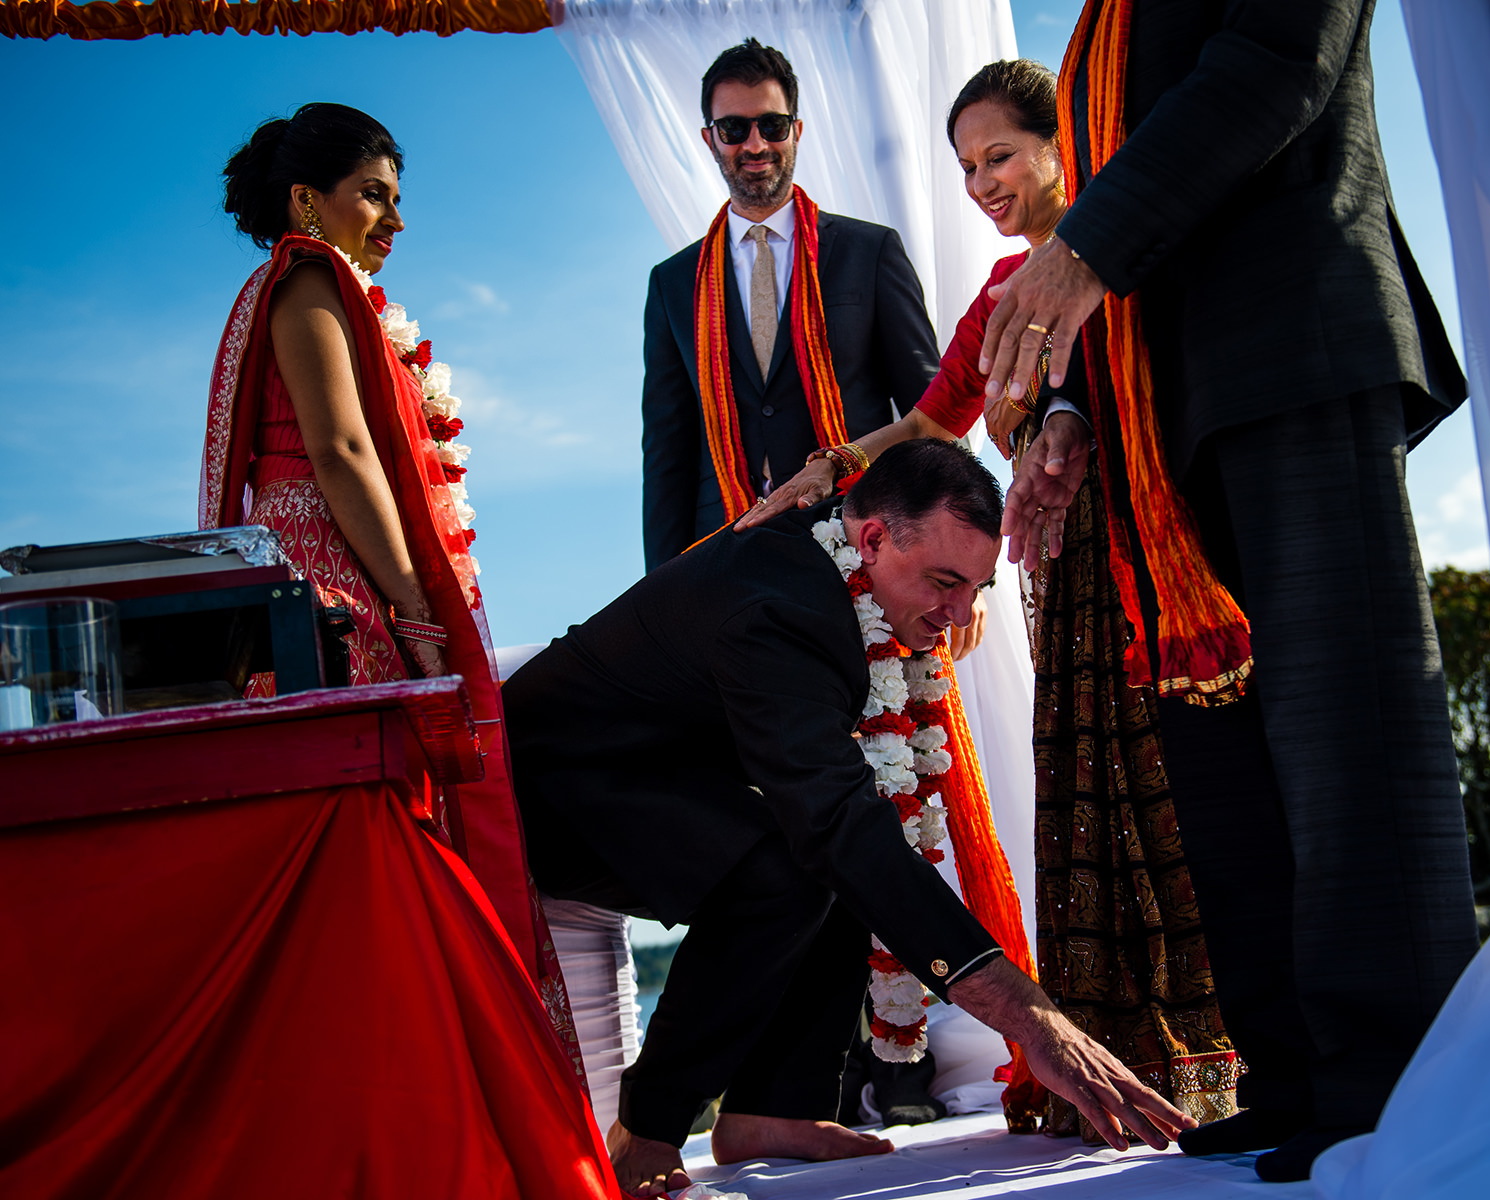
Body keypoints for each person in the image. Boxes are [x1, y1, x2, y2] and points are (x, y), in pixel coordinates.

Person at [981, 1, 1482, 1182]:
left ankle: (1392, 1082)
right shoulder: (1099, 28)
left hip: (1292, 349)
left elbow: (1271, 68)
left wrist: (1077, 248)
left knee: (1344, 738)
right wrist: (1071, 416)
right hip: (1161, 411)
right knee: (1221, 762)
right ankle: (1293, 1070)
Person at [739, 58, 1242, 1134]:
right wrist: (832, 467)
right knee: (1089, 792)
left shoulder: (1136, 256)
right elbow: (930, 425)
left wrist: (1074, 420)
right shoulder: (1002, 296)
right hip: (1063, 575)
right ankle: (1117, 1057)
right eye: (968, 167)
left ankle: (1237, 1051)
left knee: (1185, 787)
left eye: (1001, 157)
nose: (983, 184)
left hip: (1161, 552)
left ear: (1064, 150)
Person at [505, 439, 1194, 1198]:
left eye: (975, 588)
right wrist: (1031, 1021)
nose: (960, 615)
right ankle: (648, 1122)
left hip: (658, 769)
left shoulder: (832, 569)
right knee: (791, 867)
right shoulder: (788, 609)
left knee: (824, 853)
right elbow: (840, 827)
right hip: (551, 787)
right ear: (870, 538)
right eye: (943, 582)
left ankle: (770, 1110)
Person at [202, 103, 581, 1075]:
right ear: (306, 200)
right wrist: (415, 608)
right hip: (332, 585)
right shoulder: (310, 282)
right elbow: (340, 450)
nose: (394, 220)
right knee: (391, 833)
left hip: (315, 575)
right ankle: (421, 1078)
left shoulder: (300, 285)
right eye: (373, 194)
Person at [640, 37, 943, 573]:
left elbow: (934, 410)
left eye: (772, 126)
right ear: (710, 139)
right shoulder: (672, 283)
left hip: (863, 539)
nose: (755, 144)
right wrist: (660, 596)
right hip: (724, 555)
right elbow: (667, 454)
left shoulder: (869, 252)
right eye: (735, 128)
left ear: (796, 131)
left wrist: (946, 553)